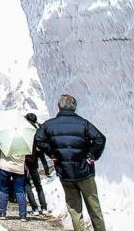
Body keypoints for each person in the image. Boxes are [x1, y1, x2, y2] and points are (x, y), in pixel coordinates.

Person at [35, 94, 107, 231]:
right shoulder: (83, 123)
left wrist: (52, 153)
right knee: (94, 208)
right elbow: (100, 139)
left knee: (74, 209)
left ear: (59, 107)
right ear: (74, 108)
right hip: (85, 171)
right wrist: (91, 155)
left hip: (65, 172)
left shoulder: (49, 125)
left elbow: (39, 139)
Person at [0, 140, 27, 220]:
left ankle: (2, 213)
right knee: (20, 190)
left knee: (3, 189)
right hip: (19, 167)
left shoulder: (5, 138)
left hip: (5, 166)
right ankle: (23, 215)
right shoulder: (24, 139)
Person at [23, 113, 52, 215]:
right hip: (34, 159)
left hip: (25, 160)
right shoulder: (37, 129)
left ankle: (34, 208)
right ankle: (44, 207)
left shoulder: (23, 130)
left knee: (27, 185)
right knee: (38, 184)